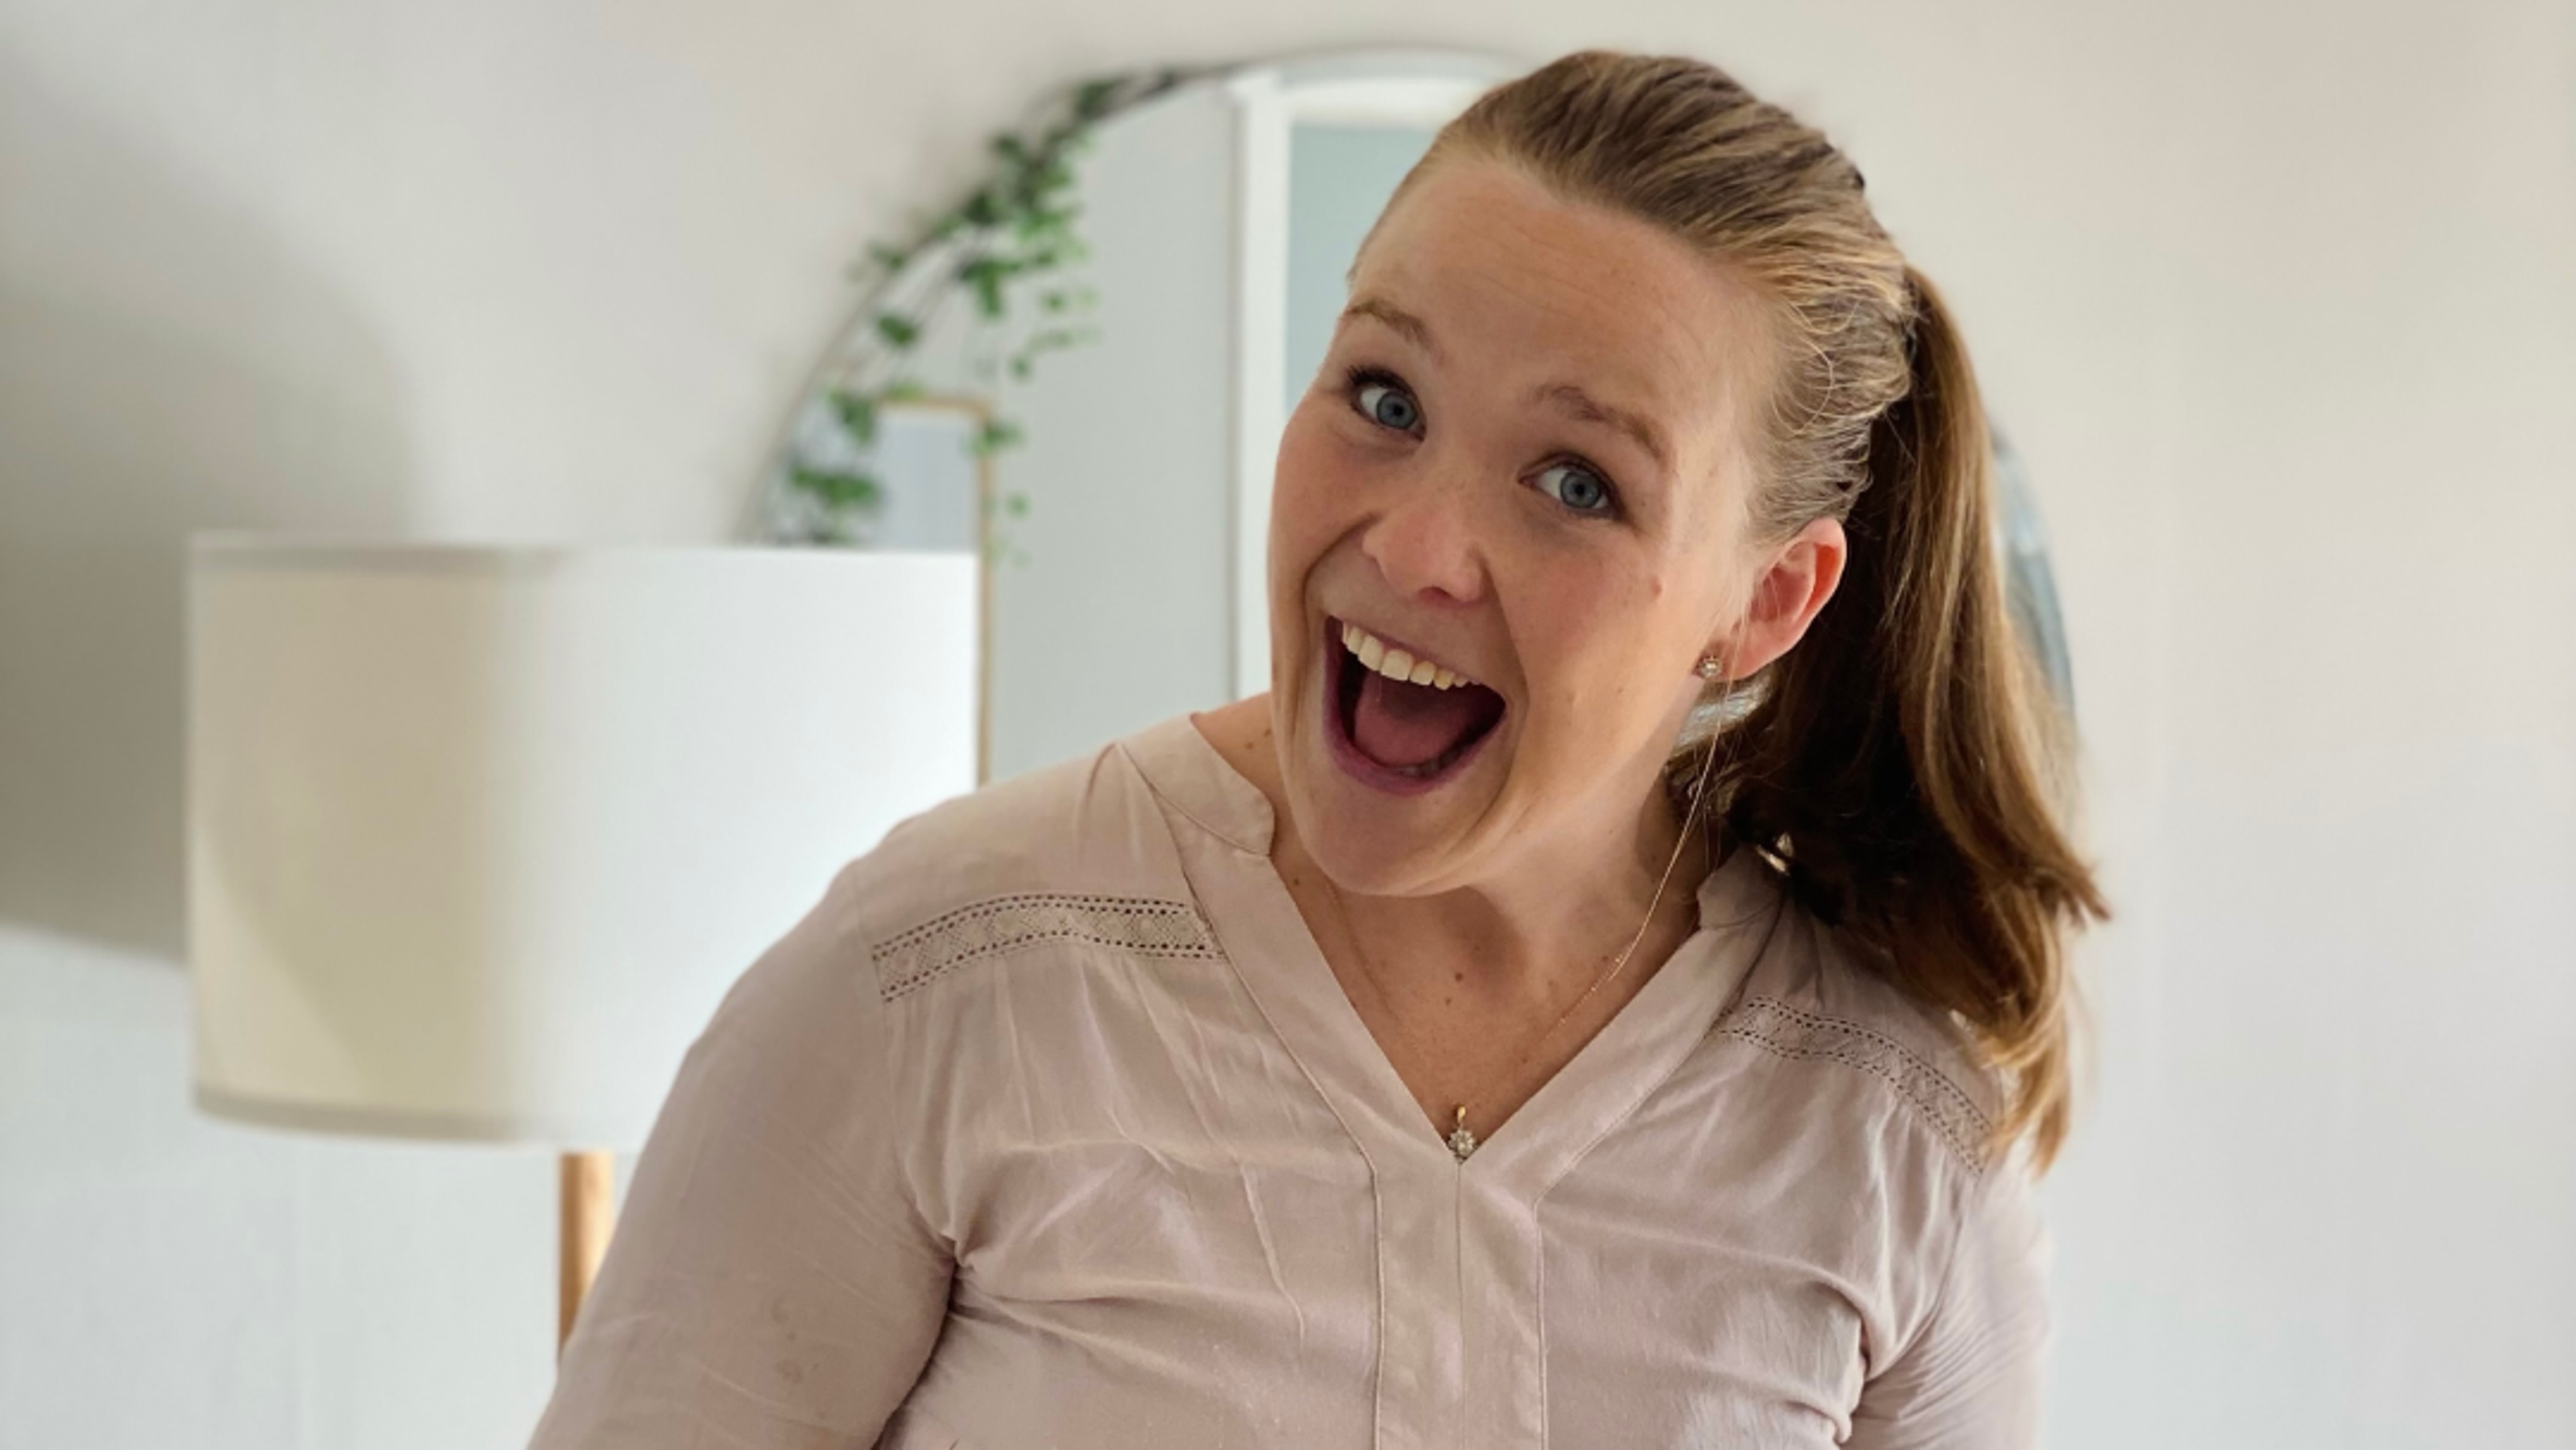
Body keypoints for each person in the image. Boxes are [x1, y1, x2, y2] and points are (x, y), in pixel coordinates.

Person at [529, 48, 2107, 1449]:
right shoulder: (945, 971)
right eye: (1384, 395)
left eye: (1577, 483)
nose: (1416, 547)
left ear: (1766, 601)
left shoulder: (1892, 1132)